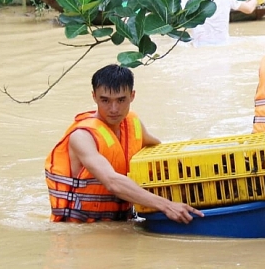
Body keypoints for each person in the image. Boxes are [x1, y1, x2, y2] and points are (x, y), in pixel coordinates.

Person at [45, 64, 202, 223]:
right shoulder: (82, 136)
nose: (114, 109)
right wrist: (167, 205)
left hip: (122, 222)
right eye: (105, 100)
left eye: (121, 100)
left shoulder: (133, 125)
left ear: (132, 96)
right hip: (81, 230)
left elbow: (159, 154)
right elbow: (112, 182)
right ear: (94, 97)